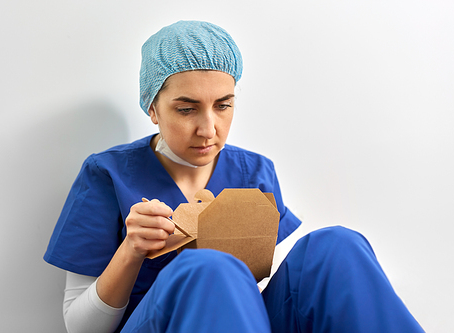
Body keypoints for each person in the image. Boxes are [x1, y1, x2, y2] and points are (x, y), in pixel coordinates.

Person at [44, 20, 424, 333]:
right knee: (210, 266)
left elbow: (261, 291)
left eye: (223, 106)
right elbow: (81, 329)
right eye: (187, 109)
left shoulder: (254, 173)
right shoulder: (107, 175)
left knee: (336, 246)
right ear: (153, 109)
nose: (209, 129)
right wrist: (131, 250)